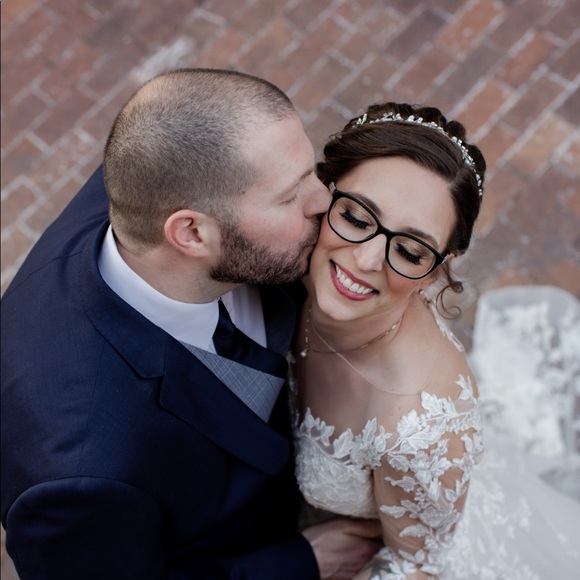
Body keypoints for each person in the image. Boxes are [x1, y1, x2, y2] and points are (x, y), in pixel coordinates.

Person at [0, 68, 382, 579]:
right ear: (192, 234)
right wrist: (300, 564)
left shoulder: (160, 171)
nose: (324, 201)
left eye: (309, 172)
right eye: (290, 197)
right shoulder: (78, 479)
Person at [290, 102, 580, 578]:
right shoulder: (294, 261)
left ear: (433, 272)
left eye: (409, 251)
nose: (365, 261)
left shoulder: (419, 431)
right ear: (326, 195)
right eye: (358, 218)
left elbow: (415, 565)